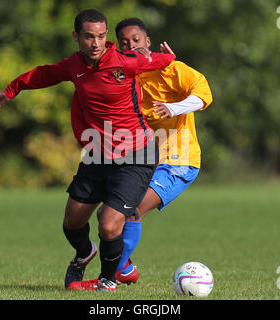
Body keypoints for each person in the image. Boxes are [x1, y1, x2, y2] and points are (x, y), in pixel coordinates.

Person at [0, 9, 175, 292]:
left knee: (109, 224)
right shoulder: (73, 65)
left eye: (101, 36)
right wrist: (12, 89)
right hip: (98, 156)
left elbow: (157, 60)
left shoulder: (125, 62)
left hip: (136, 155)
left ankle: (107, 280)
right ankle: (83, 252)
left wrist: (169, 57)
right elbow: (45, 74)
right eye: (89, 36)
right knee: (72, 222)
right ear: (76, 37)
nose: (96, 43)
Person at [69, 17, 212, 290]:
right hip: (144, 159)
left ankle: (114, 275)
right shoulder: (122, 76)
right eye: (124, 43)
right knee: (105, 217)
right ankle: (125, 269)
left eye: (137, 40)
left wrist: (174, 108)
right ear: (118, 48)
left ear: (148, 42)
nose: (131, 46)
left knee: (131, 212)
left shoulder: (173, 69)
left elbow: (204, 94)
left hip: (178, 161)